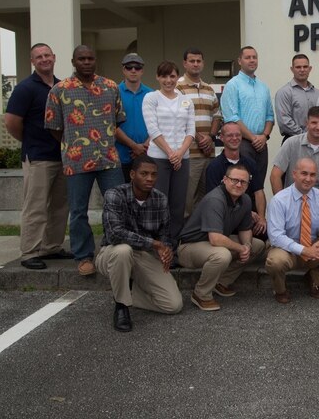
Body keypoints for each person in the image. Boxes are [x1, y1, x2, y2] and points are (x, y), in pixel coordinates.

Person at [45, 45, 125, 277]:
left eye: (91, 58)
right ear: (73, 61)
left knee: (116, 206)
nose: (87, 62)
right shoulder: (59, 90)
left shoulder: (110, 87)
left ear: (96, 60)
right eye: (82, 59)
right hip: (76, 160)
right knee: (78, 210)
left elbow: (117, 120)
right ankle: (84, 256)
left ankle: (111, 249)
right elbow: (55, 127)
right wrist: (75, 143)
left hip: (108, 158)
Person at [96, 155, 183, 332]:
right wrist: (153, 244)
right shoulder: (115, 194)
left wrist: (165, 250)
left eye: (153, 174)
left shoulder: (160, 199)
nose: (149, 178)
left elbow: (164, 235)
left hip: (143, 254)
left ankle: (130, 293)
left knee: (173, 305)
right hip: (111, 253)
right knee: (123, 251)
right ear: (132, 174)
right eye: (144, 173)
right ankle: (121, 306)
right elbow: (114, 234)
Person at [5, 43, 69, 270]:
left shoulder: (62, 86)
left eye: (47, 55)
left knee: (60, 206)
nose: (44, 59)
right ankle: (30, 252)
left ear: (54, 57)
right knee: (36, 206)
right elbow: (12, 122)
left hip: (62, 156)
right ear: (33, 61)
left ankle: (51, 246)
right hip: (38, 157)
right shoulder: (25, 88)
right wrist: (30, 141)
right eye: (38, 56)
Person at [177, 164, 268, 311]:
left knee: (257, 245)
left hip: (212, 244)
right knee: (222, 255)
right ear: (224, 179)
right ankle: (201, 294)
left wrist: (247, 247)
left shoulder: (245, 200)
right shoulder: (215, 199)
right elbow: (215, 239)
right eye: (234, 180)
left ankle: (221, 282)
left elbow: (245, 229)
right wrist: (241, 248)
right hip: (190, 246)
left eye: (243, 182)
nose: (239, 184)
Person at [266, 158, 319, 303]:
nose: (308, 179)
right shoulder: (279, 200)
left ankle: (313, 280)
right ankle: (280, 290)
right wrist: (303, 250)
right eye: (304, 173)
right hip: (287, 249)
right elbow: (276, 236)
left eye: (312, 175)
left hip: (314, 246)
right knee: (275, 261)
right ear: (294, 174)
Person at [142, 61, 195, 241]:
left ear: (177, 77)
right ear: (158, 77)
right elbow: (153, 129)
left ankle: (173, 245)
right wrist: (171, 153)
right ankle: (158, 244)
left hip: (182, 158)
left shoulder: (186, 100)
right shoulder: (151, 98)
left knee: (178, 205)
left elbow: (191, 131)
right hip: (158, 158)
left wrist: (180, 153)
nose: (168, 80)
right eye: (164, 76)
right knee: (158, 202)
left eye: (172, 76)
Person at [270, 106, 319, 222]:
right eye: (314, 123)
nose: (318, 127)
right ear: (307, 123)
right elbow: (275, 175)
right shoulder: (291, 143)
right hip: (293, 196)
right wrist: (282, 201)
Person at [176, 47, 223, 215]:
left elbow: (217, 116)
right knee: (187, 199)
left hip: (208, 154)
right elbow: (179, 118)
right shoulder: (177, 88)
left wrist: (210, 137)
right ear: (185, 63)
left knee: (206, 198)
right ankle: (184, 238)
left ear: (203, 63)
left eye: (198, 61)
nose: (195, 64)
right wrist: (198, 138)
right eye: (192, 61)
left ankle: (200, 236)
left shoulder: (209, 89)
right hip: (189, 154)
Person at [220, 46, 274, 184]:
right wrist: (252, 138)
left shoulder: (263, 87)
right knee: (241, 184)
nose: (252, 60)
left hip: (262, 144)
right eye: (247, 57)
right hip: (242, 143)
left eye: (254, 57)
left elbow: (270, 116)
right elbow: (232, 118)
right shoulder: (233, 85)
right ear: (239, 61)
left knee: (258, 185)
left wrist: (264, 136)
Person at [205, 121, 267, 239]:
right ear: (221, 138)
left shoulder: (250, 163)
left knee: (264, 234)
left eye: (238, 135)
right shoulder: (214, 167)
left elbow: (259, 192)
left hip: (248, 219)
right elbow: (213, 202)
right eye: (230, 135)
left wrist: (262, 218)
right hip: (225, 218)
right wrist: (245, 212)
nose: (234, 138)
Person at [114, 53, 152, 182]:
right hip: (121, 156)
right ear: (123, 70)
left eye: (137, 67)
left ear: (142, 70)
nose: (133, 70)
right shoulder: (114, 92)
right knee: (122, 196)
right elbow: (110, 125)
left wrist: (144, 146)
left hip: (147, 155)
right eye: (129, 67)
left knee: (145, 197)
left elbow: (158, 123)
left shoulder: (151, 94)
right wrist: (134, 146)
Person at [275, 54, 319, 141]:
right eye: (298, 67)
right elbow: (284, 121)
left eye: (305, 67)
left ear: (310, 69)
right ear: (292, 69)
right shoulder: (284, 92)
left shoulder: (318, 93)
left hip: (315, 141)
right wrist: (305, 136)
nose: (302, 70)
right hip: (293, 140)